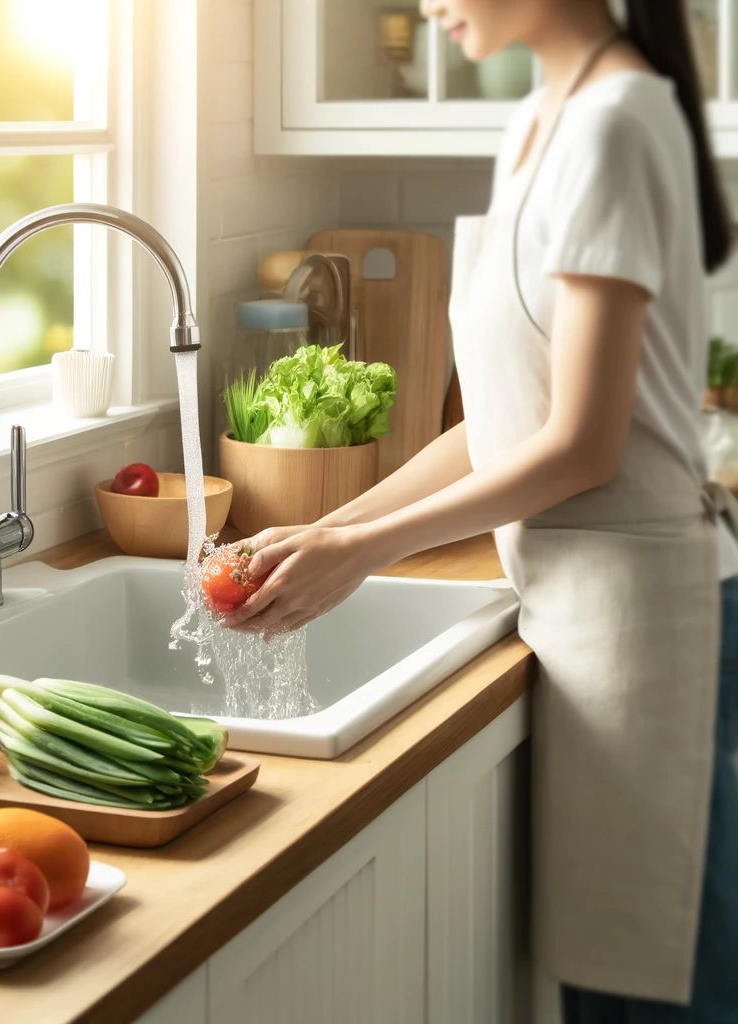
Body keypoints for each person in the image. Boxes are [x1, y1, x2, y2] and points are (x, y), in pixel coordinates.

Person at [224, 1, 738, 1020]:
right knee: (612, 991)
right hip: (584, 617)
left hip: (656, 625)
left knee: (667, 998)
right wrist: (335, 530)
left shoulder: (618, 124)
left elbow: (582, 445)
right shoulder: (543, 120)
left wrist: (362, 548)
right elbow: (511, 418)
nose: (423, 6)